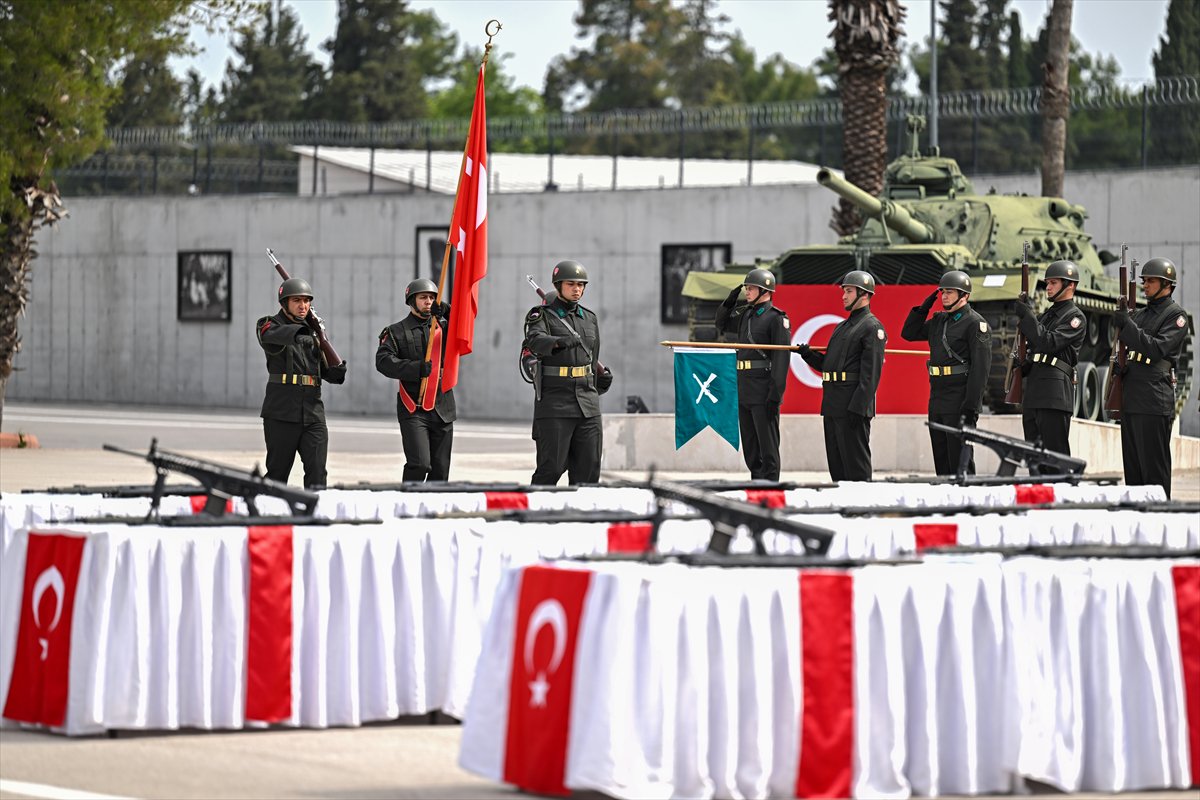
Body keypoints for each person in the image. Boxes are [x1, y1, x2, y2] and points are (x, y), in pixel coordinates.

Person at [523, 259, 614, 485]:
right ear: (558, 285)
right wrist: (558, 342)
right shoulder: (541, 315)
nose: (577, 289)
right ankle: (537, 514)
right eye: (571, 284)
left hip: (587, 402)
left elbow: (592, 356)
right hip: (555, 402)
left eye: (581, 285)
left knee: (589, 470)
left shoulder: (590, 318)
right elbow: (534, 341)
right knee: (551, 468)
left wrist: (600, 378)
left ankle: (582, 517)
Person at [256, 277, 347, 488]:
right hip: (281, 413)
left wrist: (336, 370)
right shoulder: (269, 324)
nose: (303, 306)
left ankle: (315, 515)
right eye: (297, 300)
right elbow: (269, 334)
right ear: (284, 303)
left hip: (313, 413)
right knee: (277, 474)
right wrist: (301, 332)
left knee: (317, 473)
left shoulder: (314, 332)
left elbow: (326, 372)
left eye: (306, 301)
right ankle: (271, 517)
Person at [797, 270, 886, 482]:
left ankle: (862, 510)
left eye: (848, 291)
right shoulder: (842, 327)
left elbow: (870, 375)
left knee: (856, 467)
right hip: (833, 404)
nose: (843, 296)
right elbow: (829, 366)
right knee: (837, 468)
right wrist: (807, 355)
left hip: (852, 407)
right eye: (844, 291)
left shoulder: (872, 327)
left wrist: (859, 408)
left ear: (864, 294)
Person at [901, 270, 992, 475]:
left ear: (964, 296)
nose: (944, 296)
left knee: (960, 459)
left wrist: (971, 406)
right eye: (942, 292)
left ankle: (966, 501)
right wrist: (924, 307)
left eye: (950, 292)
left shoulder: (975, 324)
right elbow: (908, 333)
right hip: (938, 395)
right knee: (941, 456)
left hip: (960, 397)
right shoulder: (939, 321)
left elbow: (980, 369)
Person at [1113, 257, 1188, 497]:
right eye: (1144, 281)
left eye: (1151, 281)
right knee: (1133, 472)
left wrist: (1128, 325)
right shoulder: (1141, 315)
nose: (1145, 285)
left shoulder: (1176, 316)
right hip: (1132, 397)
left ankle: (1158, 523)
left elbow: (1156, 349)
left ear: (1167, 284)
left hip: (1154, 399)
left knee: (1154, 472)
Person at [713, 268, 791, 481]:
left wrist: (775, 395)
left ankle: (771, 487)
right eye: (746, 288)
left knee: (767, 446)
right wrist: (729, 302)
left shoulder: (776, 319)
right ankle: (756, 484)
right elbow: (721, 324)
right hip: (745, 387)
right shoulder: (746, 313)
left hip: (763, 389)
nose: (747, 292)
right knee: (750, 446)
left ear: (765, 290)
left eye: (751, 288)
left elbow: (781, 360)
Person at [375, 278, 456, 482]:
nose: (428, 301)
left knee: (440, 472)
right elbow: (383, 362)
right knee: (420, 464)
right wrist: (415, 368)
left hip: (442, 407)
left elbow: (465, 324)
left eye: (431, 298)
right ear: (412, 301)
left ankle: (431, 511)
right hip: (414, 407)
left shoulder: (444, 328)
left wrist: (446, 309)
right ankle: (407, 504)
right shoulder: (396, 331)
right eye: (423, 297)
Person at [1014, 259, 1086, 470]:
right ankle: (1038, 501)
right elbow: (1035, 349)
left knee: (1055, 458)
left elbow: (1049, 342)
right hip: (1034, 392)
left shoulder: (1074, 317)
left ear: (1070, 285)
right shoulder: (1046, 316)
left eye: (1054, 282)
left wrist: (1027, 316)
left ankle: (1061, 499)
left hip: (1055, 394)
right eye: (1048, 282)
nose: (1048, 287)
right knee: (1034, 459)